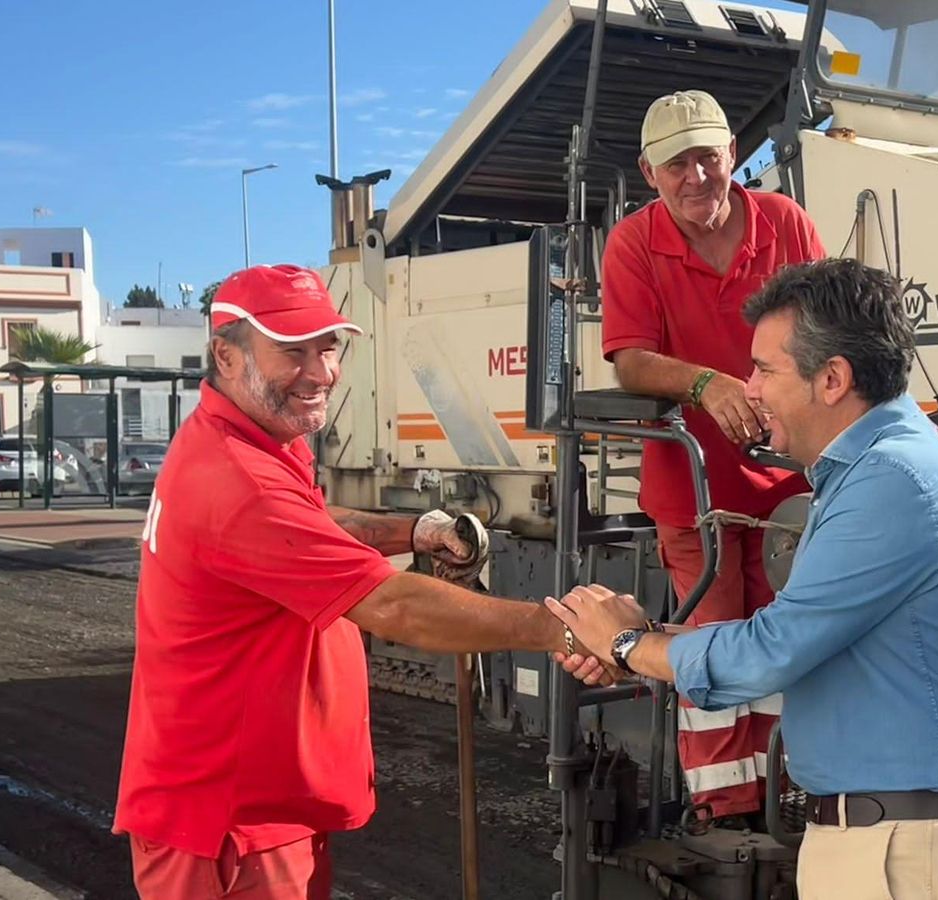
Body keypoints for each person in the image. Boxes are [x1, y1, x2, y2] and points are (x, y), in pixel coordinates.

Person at [112, 264, 592, 900]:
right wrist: (561, 626)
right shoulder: (238, 479)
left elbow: (310, 524)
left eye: (328, 348)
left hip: (255, 807)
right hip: (230, 828)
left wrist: (414, 531)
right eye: (292, 352)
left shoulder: (250, 440)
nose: (320, 373)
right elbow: (395, 608)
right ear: (226, 356)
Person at [550, 258, 938, 899]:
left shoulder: (890, 480)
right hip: (900, 841)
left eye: (765, 370)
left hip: (906, 853)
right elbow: (798, 633)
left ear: (831, 379)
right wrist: (642, 637)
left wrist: (630, 646)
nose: (749, 388)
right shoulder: (879, 469)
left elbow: (767, 653)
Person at [600, 88, 826, 822]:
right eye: (677, 165)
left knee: (788, 636)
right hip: (694, 491)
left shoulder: (786, 223)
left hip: (790, 482)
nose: (695, 176)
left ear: (734, 155)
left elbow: (832, 330)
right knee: (717, 637)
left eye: (707, 157)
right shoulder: (634, 244)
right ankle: (725, 818)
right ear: (649, 172)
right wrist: (704, 383)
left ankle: (785, 797)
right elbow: (631, 361)